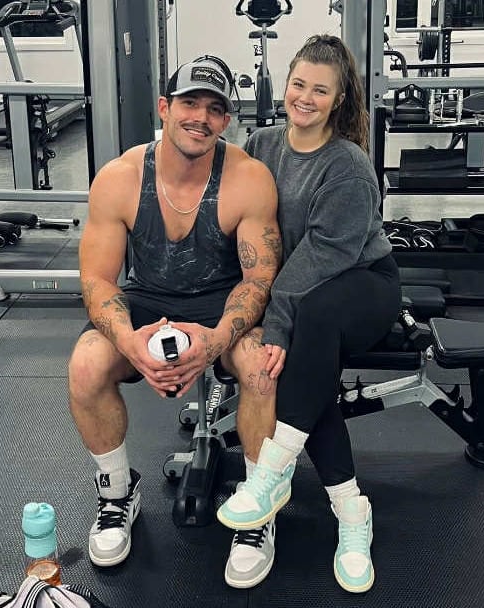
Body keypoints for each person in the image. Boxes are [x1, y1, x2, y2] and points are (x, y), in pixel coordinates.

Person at [67, 56, 281, 568]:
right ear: (165, 107)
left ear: (226, 120)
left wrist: (215, 341)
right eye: (189, 103)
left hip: (223, 301)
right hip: (147, 298)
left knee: (260, 367)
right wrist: (129, 343)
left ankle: (258, 508)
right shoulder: (119, 178)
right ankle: (117, 494)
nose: (200, 118)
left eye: (214, 109)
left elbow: (257, 280)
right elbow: (98, 280)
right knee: (86, 365)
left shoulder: (248, 179)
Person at [217, 35, 402, 593]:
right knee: (307, 370)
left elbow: (325, 255)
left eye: (320, 90)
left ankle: (272, 471)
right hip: (296, 290)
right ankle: (352, 512)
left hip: (362, 285)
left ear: (339, 99)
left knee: (313, 320)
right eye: (299, 84)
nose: (305, 97)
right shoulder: (261, 144)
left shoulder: (347, 165)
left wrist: (275, 318)